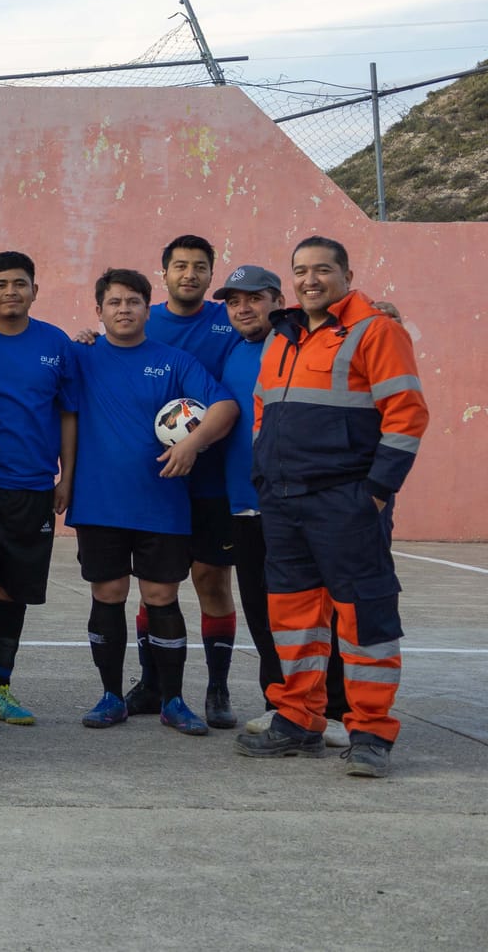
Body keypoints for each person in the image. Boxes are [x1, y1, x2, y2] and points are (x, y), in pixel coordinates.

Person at [236, 237, 428, 778]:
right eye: (301, 270)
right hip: (283, 502)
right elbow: (262, 410)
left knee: (363, 615)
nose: (311, 279)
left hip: (348, 502)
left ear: (346, 274)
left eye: (323, 269)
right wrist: (264, 472)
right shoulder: (283, 337)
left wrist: (375, 490)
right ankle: (298, 720)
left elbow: (407, 414)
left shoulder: (375, 331)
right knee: (293, 618)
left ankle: (369, 732)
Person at [66, 269, 237, 735]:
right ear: (98, 310)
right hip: (99, 503)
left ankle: (173, 700)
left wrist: (192, 444)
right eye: (114, 302)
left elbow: (224, 407)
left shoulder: (175, 361)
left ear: (148, 307)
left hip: (162, 504)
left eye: (134, 301)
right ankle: (109, 696)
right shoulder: (79, 357)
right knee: (108, 594)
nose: (124, 309)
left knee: (161, 596)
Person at [217, 265, 350, 747]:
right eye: (234, 302)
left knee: (314, 610)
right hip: (244, 505)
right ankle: (282, 706)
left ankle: (332, 708)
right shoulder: (234, 350)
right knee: (262, 611)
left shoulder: (300, 344)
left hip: (297, 503)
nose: (243, 308)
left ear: (278, 300)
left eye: (254, 298)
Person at [0, 251, 78, 735]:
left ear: (34, 290)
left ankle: (0, 686)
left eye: (20, 283)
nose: (11, 291)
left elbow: (69, 412)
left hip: (34, 489)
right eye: (1, 283)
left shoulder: (56, 344)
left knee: (13, 593)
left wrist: (65, 476)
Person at [135, 234, 245, 727]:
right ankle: (152, 682)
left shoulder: (230, 321)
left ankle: (218, 687)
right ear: (164, 273)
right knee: (155, 585)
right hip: (154, 479)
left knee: (211, 579)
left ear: (210, 274)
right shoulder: (144, 319)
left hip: (212, 477)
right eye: (180, 265)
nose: (190, 274)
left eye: (200, 267)